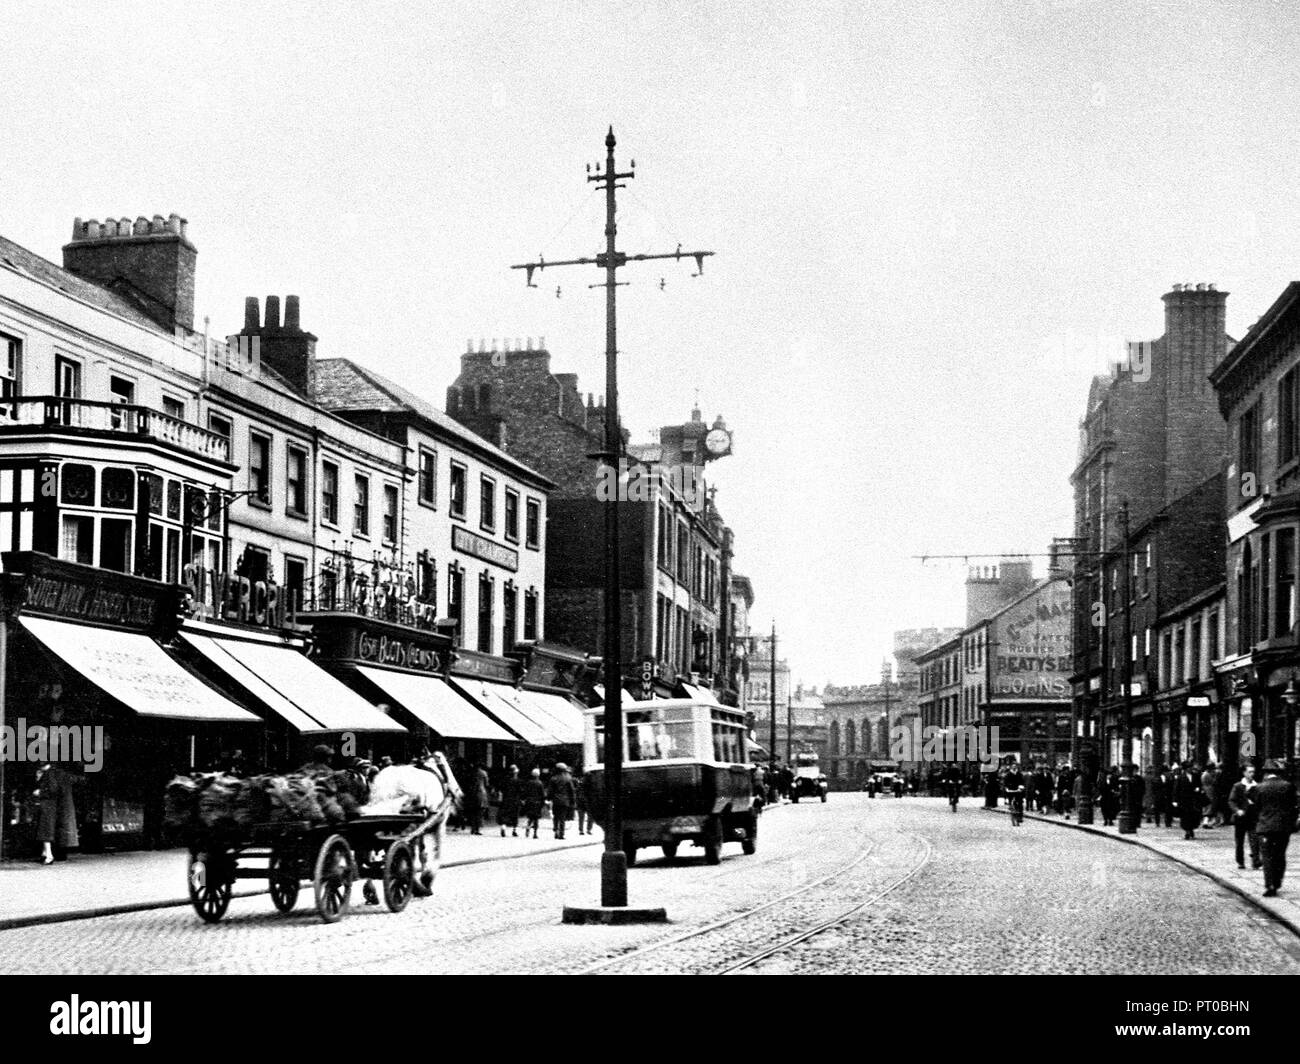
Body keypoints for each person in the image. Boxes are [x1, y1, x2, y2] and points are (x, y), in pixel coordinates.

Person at [1254, 760, 1298, 897]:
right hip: (1283, 827)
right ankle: (1278, 880)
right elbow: (1294, 807)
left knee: (1267, 856)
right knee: (1280, 854)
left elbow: (1256, 807)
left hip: (1265, 826)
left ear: (1266, 773)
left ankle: (1270, 885)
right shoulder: (1288, 786)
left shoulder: (1259, 787)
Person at [33, 763, 78, 864]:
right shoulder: (56, 773)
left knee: (45, 831)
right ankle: (45, 854)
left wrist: (39, 792)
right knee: (46, 831)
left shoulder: (49, 774)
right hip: (53, 807)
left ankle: (48, 856)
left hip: (47, 806)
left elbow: (52, 789)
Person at [1228, 765, 1261, 871]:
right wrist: (1237, 810)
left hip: (1253, 817)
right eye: (1250, 772)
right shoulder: (1238, 786)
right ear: (1244, 773)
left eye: (1253, 772)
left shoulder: (1257, 786)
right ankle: (1240, 861)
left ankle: (1255, 861)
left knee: (1255, 840)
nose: (1252, 774)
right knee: (1239, 841)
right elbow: (1231, 800)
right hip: (1241, 818)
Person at [1173, 762, 1203, 840]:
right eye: (1189, 768)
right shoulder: (1180, 778)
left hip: (1194, 800)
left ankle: (1191, 829)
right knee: (1185, 816)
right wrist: (1175, 800)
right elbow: (1176, 789)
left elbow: (1199, 785)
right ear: (1185, 769)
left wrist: (1198, 789)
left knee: (1194, 816)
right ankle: (1187, 831)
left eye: (1191, 767)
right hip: (1184, 800)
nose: (1191, 769)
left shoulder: (1196, 776)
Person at [548, 762, 577, 839]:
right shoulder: (568, 778)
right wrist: (573, 801)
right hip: (565, 801)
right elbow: (572, 790)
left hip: (556, 800)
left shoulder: (553, 778)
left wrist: (549, 798)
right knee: (562, 818)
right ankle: (561, 834)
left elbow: (550, 791)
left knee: (556, 816)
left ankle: (556, 830)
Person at [464, 762, 489, 835]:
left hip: (472, 794)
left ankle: (472, 828)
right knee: (479, 813)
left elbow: (467, 783)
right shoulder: (484, 773)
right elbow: (487, 784)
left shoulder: (471, 773)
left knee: (472, 812)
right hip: (481, 794)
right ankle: (477, 829)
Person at [521, 768, 546, 839]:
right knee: (536, 819)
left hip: (529, 802)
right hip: (537, 803)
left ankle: (528, 828)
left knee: (530, 817)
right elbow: (542, 794)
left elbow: (525, 792)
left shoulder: (529, 783)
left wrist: (523, 800)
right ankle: (535, 833)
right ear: (538, 775)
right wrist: (543, 802)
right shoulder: (540, 783)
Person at [498, 764, 521, 837]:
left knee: (505, 815)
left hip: (506, 799)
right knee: (515, 815)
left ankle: (503, 827)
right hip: (515, 800)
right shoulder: (517, 780)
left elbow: (501, 789)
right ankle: (514, 830)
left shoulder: (505, 779)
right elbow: (520, 791)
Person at [573, 768, 592, 835]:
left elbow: (576, 791)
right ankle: (589, 829)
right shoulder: (591, 783)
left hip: (580, 801)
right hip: (589, 801)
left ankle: (581, 830)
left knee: (581, 817)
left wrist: (576, 800)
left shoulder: (580, 782)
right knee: (590, 816)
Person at [1201, 762, 1220, 828]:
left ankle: (1207, 822)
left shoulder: (1204, 774)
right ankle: (1206, 822)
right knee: (1209, 807)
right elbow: (1213, 782)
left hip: (1207, 791)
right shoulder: (1207, 775)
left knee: (1208, 807)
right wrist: (1215, 777)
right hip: (1209, 791)